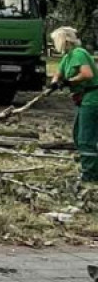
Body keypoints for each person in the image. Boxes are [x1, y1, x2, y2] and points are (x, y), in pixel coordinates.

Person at [49, 27, 98, 183]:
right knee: (78, 134)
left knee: (86, 137)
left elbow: (87, 74)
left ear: (64, 40)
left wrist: (68, 82)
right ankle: (90, 168)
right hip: (83, 99)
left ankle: (90, 175)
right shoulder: (68, 56)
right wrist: (55, 83)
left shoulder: (79, 53)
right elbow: (59, 73)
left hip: (92, 97)